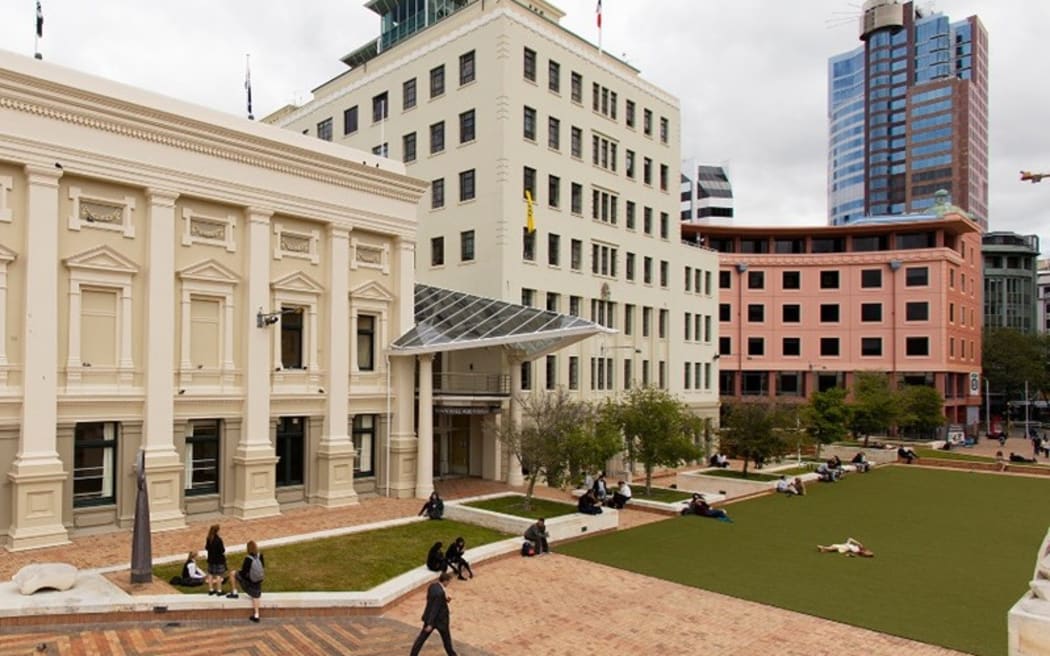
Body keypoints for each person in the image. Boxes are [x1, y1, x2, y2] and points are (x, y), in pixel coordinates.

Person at [410, 572, 457, 656]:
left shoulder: (432, 586)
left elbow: (432, 600)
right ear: (445, 581)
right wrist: (430, 624)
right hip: (440, 621)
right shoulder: (440, 593)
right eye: (448, 582)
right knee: (447, 642)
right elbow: (435, 608)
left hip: (429, 618)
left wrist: (445, 599)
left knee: (421, 639)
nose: (448, 584)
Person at [226, 540, 265, 622]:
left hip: (249, 581)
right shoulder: (260, 555)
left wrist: (239, 571)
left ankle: (234, 592)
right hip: (258, 581)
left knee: (233, 573)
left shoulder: (248, 559)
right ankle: (256, 615)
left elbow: (243, 573)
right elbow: (262, 566)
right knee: (256, 597)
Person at [204, 524, 228, 596]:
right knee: (218, 575)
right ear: (217, 531)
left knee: (210, 574)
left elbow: (206, 548)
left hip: (211, 559)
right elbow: (222, 550)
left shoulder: (209, 538)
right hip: (218, 560)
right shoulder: (219, 540)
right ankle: (219, 590)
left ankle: (211, 590)